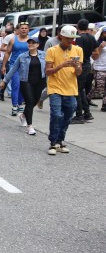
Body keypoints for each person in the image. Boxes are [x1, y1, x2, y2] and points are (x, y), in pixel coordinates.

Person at [45, 25, 83, 155]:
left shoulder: (78, 50)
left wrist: (77, 66)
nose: (70, 41)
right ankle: (53, 142)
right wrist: (61, 65)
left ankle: (60, 141)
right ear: (61, 36)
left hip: (71, 89)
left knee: (68, 116)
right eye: (67, 38)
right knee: (56, 114)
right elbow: (48, 71)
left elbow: (79, 73)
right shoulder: (52, 50)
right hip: (55, 87)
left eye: (72, 38)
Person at [1, 35, 45, 135]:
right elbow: (13, 70)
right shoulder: (22, 56)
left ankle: (23, 115)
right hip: (26, 82)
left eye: (33, 43)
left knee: (34, 102)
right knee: (29, 102)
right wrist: (4, 81)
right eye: (29, 43)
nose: (30, 44)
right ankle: (30, 126)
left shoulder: (44, 55)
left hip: (39, 82)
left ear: (37, 45)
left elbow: (49, 67)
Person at [71, 19, 99, 124]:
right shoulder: (91, 37)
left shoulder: (79, 38)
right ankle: (87, 113)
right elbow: (96, 52)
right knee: (81, 89)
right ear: (87, 27)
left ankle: (79, 115)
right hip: (88, 63)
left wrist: (76, 65)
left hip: (81, 64)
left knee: (77, 89)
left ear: (78, 27)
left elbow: (77, 54)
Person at [1, 22, 30, 116]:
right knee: (16, 85)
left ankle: (20, 104)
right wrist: (4, 66)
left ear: (28, 30)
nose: (24, 30)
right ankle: (14, 106)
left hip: (26, 67)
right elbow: (7, 53)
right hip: (14, 66)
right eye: (22, 28)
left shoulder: (31, 41)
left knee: (23, 86)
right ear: (18, 29)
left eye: (26, 28)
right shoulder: (13, 40)